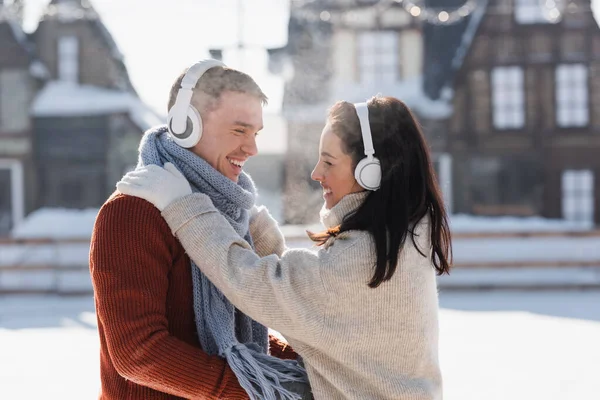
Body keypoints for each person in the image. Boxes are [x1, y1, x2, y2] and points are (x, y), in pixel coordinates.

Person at [117, 95, 453, 399]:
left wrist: (184, 205)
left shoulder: (358, 261)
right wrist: (244, 215)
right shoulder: (400, 239)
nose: (316, 173)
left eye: (329, 162)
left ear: (371, 173)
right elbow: (303, 294)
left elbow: (250, 281)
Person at [89, 60, 311, 400]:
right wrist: (254, 390)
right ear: (185, 126)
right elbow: (138, 352)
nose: (251, 149)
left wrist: (312, 369)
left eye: (255, 133)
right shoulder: (132, 212)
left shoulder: (231, 214)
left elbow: (238, 339)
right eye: (239, 130)